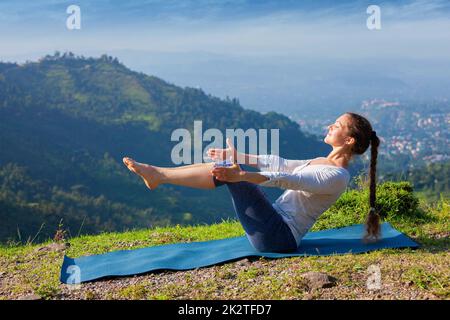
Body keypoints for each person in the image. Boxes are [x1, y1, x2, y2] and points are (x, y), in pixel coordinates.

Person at [122, 112, 380, 253]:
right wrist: (238, 158)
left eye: (336, 125)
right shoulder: (323, 161)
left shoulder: (336, 176)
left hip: (278, 238)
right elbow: (280, 163)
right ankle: (159, 175)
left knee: (232, 172)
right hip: (273, 226)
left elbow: (285, 179)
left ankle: (159, 176)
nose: (329, 126)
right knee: (228, 167)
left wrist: (241, 175)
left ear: (349, 141)